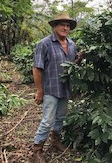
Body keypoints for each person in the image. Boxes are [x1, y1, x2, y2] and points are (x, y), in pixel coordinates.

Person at [31, 12, 83, 163]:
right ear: (55, 26)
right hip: (50, 88)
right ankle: (37, 149)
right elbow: (37, 68)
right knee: (47, 120)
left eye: (67, 26)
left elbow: (70, 65)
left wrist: (78, 60)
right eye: (62, 25)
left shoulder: (72, 44)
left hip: (65, 88)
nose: (65, 28)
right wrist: (40, 91)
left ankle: (55, 140)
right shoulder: (44, 44)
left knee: (60, 117)